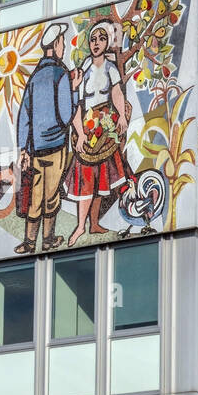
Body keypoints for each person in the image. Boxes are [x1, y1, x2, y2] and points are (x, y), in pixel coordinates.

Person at [66, 19, 132, 245]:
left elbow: (117, 93)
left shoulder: (111, 68)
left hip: (105, 125)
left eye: (102, 39)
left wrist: (122, 116)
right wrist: (80, 133)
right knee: (85, 179)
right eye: (93, 39)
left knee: (100, 179)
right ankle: (79, 227)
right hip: (86, 125)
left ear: (107, 43)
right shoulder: (82, 70)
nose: (96, 43)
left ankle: (93, 224)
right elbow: (76, 103)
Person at [16, 22, 75, 254]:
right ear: (57, 45)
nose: (63, 47)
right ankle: (48, 240)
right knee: (51, 197)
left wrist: (23, 148)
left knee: (35, 196)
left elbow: (24, 116)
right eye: (62, 42)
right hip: (56, 146)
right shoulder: (61, 74)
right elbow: (67, 114)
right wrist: (76, 89)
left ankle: (29, 243)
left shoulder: (35, 77)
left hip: (35, 149)